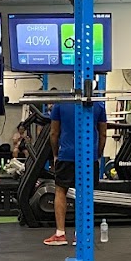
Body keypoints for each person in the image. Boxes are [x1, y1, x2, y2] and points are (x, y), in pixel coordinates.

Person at [43, 96, 107, 247]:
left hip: (66, 154)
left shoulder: (60, 104)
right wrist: (98, 154)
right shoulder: (99, 104)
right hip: (89, 156)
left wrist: (55, 155)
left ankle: (60, 234)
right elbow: (103, 134)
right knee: (85, 193)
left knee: (60, 191)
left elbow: (53, 133)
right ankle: (81, 235)